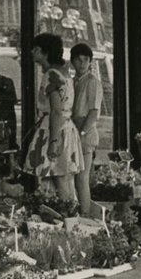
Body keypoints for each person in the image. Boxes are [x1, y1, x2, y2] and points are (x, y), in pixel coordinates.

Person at [25, 32, 82, 203]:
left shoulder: (50, 75)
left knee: (58, 178)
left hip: (54, 129)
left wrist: (53, 141)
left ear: (45, 52)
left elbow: (56, 111)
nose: (32, 52)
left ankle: (67, 217)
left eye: (36, 49)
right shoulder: (64, 73)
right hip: (65, 127)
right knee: (63, 179)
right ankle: (68, 219)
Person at [69, 42, 102, 216]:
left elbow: (93, 112)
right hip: (72, 132)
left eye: (85, 60)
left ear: (90, 62)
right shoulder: (73, 81)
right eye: (78, 59)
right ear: (72, 62)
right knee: (72, 178)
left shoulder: (92, 82)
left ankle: (86, 215)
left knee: (82, 178)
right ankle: (77, 213)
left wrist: (81, 133)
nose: (82, 63)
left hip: (85, 134)